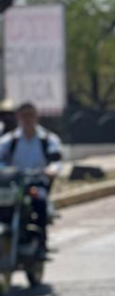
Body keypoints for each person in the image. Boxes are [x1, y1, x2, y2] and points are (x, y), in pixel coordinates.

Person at [0, 103, 64, 258]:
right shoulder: (10, 140)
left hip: (37, 182)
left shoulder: (47, 139)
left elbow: (56, 160)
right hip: (14, 184)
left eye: (31, 115)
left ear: (36, 117)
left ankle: (41, 245)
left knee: (39, 202)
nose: (28, 119)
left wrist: (52, 170)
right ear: (18, 117)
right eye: (24, 115)